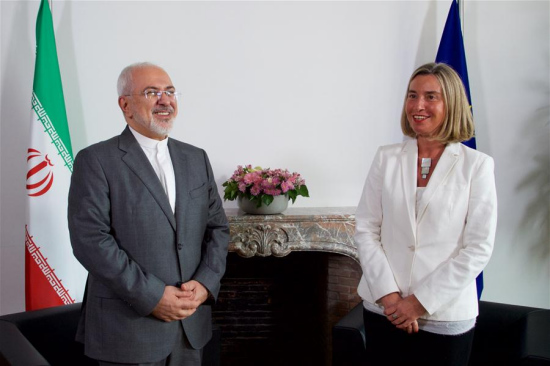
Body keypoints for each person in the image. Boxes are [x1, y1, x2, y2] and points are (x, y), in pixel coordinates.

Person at [68, 62, 230, 366]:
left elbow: (217, 229)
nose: (165, 100)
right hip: (127, 330)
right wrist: (153, 296)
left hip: (189, 328)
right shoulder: (96, 160)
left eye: (170, 92)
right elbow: (90, 241)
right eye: (152, 92)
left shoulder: (196, 158)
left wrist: (206, 283)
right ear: (125, 105)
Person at [355, 62, 497, 366]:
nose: (418, 105)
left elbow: (478, 248)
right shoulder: (386, 158)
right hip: (384, 310)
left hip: (444, 316)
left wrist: (418, 304)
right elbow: (366, 229)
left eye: (431, 96)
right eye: (412, 95)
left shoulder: (477, 166)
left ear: (452, 103)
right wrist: (390, 298)